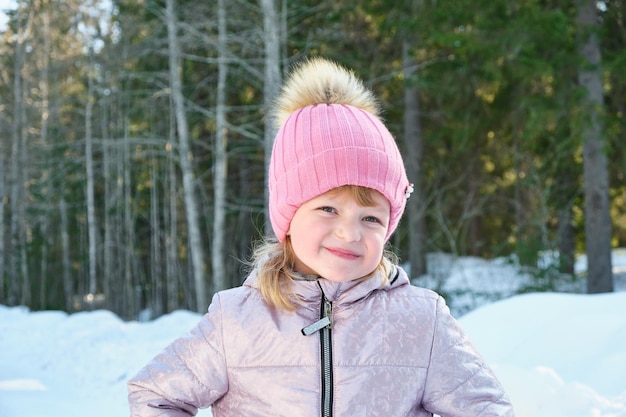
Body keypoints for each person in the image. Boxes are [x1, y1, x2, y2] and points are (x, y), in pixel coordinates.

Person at [128, 57, 515, 417]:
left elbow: (487, 409)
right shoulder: (238, 321)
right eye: (328, 209)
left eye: (370, 217)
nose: (350, 232)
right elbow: (154, 394)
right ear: (289, 214)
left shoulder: (420, 320)